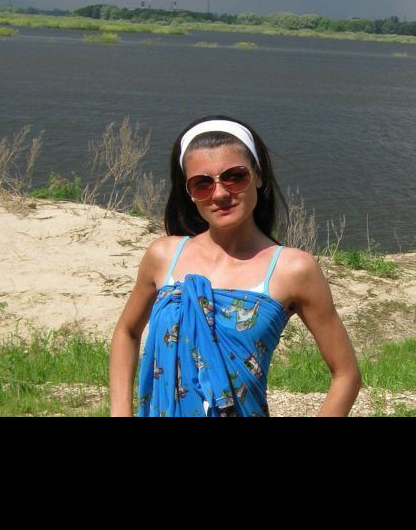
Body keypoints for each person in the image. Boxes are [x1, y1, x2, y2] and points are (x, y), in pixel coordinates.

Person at [109, 115, 362, 416]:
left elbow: (346, 374)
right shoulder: (163, 256)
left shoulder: (293, 269)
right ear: (189, 193)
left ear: (258, 176)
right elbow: (127, 332)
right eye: (202, 184)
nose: (219, 194)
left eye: (234, 177)